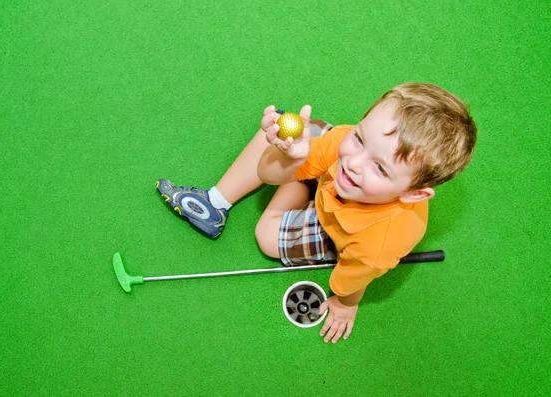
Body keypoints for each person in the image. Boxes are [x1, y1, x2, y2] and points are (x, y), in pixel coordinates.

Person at [156, 83, 477, 344]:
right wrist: (291, 160)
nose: (353, 162)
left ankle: (301, 186)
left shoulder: (379, 243)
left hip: (337, 228)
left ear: (413, 194)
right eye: (360, 137)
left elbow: (352, 279)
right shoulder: (345, 145)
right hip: (326, 183)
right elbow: (269, 173)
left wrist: (344, 304)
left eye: (379, 167)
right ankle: (215, 203)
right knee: (286, 133)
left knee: (266, 237)